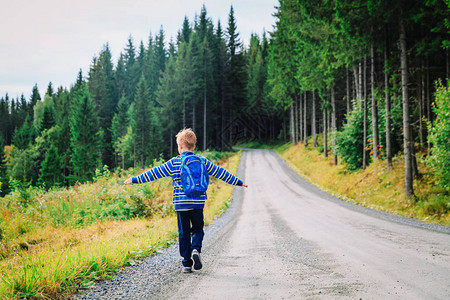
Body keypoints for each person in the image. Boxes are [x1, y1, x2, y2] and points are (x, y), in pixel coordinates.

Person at [125, 128, 248, 273]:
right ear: (194, 147)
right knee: (197, 229)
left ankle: (186, 264)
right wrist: (238, 182)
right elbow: (220, 172)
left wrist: (134, 179)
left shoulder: (174, 162)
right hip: (198, 202)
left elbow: (154, 173)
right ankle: (196, 249)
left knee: (183, 233)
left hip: (181, 204)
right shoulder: (202, 161)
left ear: (180, 147)